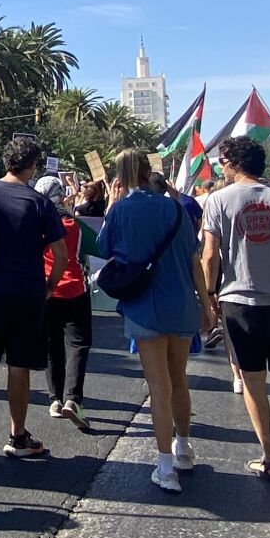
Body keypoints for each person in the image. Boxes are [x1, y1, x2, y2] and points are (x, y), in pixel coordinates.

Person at [202, 137, 270, 482]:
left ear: (234, 163)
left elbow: (209, 255)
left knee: (253, 381)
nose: (221, 167)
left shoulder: (218, 200)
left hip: (240, 301)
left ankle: (269, 456)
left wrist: (209, 296)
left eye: (223, 161)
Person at [98, 149, 207, 492]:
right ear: (149, 172)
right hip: (181, 304)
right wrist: (206, 305)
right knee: (179, 379)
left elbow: (104, 249)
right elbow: (195, 261)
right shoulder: (175, 208)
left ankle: (164, 466)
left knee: (158, 387)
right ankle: (184, 447)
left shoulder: (122, 210)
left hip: (145, 306)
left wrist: (110, 206)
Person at [0, 138, 61, 462]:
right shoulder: (39, 202)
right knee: (19, 365)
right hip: (28, 291)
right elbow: (61, 256)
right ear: (32, 166)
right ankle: (18, 434)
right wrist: (49, 286)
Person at [35, 174, 93, 430]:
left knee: (51, 344)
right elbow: (93, 250)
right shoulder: (75, 224)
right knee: (78, 344)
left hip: (46, 290)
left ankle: (55, 398)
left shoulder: (34, 226)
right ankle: (73, 398)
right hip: (75, 289)